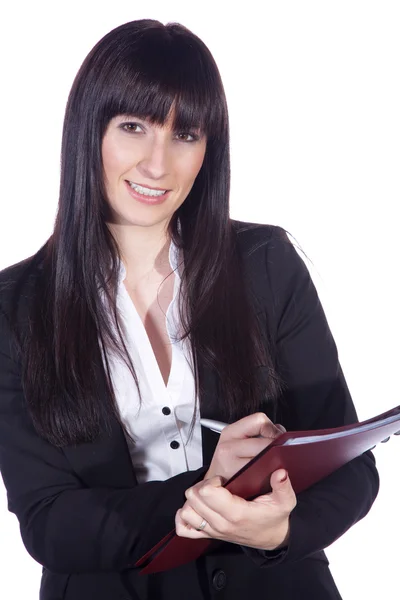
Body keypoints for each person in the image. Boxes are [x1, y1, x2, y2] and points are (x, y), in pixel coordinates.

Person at [0, 18, 379, 600]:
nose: (158, 164)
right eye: (133, 127)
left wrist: (279, 530)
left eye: (186, 134)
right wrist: (205, 487)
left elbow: (350, 468)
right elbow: (48, 519)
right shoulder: (14, 308)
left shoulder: (265, 263)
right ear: (88, 132)